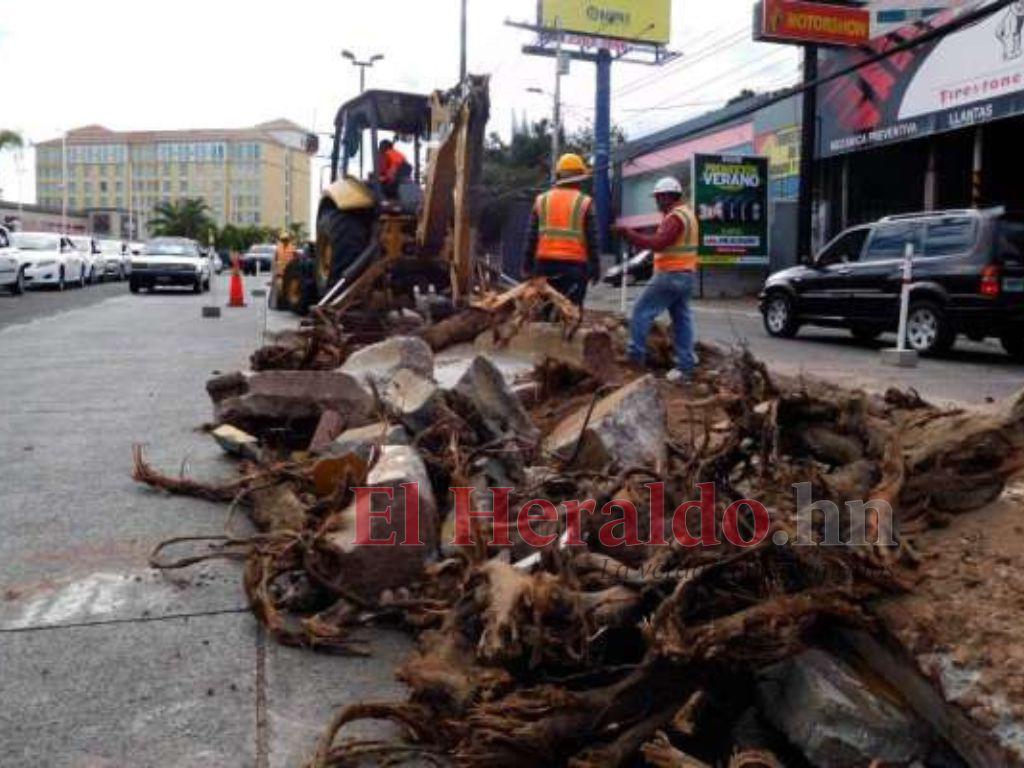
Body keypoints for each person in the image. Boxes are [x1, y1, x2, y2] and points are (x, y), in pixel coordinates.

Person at [615, 176, 699, 382]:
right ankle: (685, 368)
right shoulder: (688, 215)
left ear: (669, 196)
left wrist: (630, 235)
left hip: (670, 275)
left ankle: (635, 360)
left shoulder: (675, 217)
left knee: (641, 312)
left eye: (659, 198)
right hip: (686, 275)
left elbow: (659, 243)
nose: (657, 202)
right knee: (682, 320)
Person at [520, 153, 601, 307]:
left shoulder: (541, 200)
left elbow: (531, 236)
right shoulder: (585, 202)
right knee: (571, 315)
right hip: (574, 268)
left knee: (543, 313)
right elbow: (593, 240)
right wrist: (595, 268)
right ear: (580, 178)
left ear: (558, 175)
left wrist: (526, 266)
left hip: (544, 267)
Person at [271, 230, 297, 309]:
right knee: (279, 288)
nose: (284, 241)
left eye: (286, 240)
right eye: (283, 240)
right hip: (280, 272)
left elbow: (295, 259)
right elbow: (274, 260)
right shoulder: (278, 248)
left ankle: (287, 304)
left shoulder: (293, 248)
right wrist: (274, 272)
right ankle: (279, 304)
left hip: (289, 272)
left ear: (288, 240)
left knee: (289, 288)